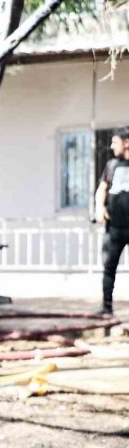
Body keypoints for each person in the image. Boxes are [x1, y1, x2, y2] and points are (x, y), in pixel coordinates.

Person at [94, 128, 129, 315]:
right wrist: (99, 207)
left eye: (115, 142)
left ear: (127, 142)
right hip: (114, 227)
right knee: (109, 267)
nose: (111, 146)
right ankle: (106, 307)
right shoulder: (112, 165)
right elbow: (102, 188)